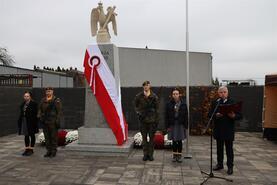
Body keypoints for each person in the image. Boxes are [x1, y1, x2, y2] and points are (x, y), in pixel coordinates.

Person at [209, 86, 242, 175]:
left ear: (227, 93)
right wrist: (216, 115)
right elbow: (210, 114)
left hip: (228, 130)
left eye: (224, 92)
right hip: (218, 129)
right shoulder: (215, 102)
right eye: (221, 92)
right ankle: (220, 164)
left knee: (229, 149)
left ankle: (230, 167)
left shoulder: (233, 102)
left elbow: (240, 115)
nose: (223, 94)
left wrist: (234, 116)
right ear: (218, 93)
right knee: (219, 149)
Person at [134, 81, 159, 161]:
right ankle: (145, 155)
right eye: (144, 85)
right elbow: (135, 106)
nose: (146, 87)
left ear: (149, 86)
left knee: (151, 139)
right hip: (143, 121)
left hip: (152, 120)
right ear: (143, 87)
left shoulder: (154, 96)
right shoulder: (139, 96)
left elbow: (157, 109)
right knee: (144, 139)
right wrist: (139, 113)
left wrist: (156, 120)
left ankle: (150, 155)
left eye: (147, 85)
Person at [38, 87, 62, 158]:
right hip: (45, 121)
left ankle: (53, 151)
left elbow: (59, 111)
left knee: (53, 137)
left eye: (50, 91)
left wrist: (57, 120)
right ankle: (48, 151)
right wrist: (39, 115)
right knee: (47, 137)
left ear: (52, 92)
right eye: (47, 91)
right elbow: (39, 108)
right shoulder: (43, 100)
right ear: (45, 92)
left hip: (52, 121)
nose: (48, 92)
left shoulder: (56, 100)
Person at [165, 88, 188, 163]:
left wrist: (186, 125)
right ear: (172, 95)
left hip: (180, 124)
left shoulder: (183, 104)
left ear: (179, 95)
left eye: (177, 94)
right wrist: (167, 126)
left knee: (180, 140)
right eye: (174, 94)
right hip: (172, 124)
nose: (175, 95)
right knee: (174, 140)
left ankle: (179, 156)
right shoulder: (169, 104)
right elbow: (166, 116)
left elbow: (186, 116)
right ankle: (175, 156)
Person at [18, 91, 38, 156]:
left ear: (30, 97)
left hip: (31, 122)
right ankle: (27, 149)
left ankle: (31, 149)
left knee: (32, 135)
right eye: (25, 96)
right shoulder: (23, 104)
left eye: (27, 96)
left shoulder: (34, 104)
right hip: (24, 121)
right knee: (26, 135)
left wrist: (34, 121)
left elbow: (36, 114)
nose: (26, 97)